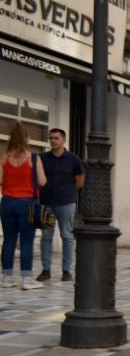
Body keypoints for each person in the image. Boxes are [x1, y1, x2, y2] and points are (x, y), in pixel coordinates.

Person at [1, 121, 48, 291]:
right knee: (27, 242)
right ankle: (27, 280)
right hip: (27, 203)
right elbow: (42, 181)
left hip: (7, 202)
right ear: (26, 139)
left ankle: (6, 278)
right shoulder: (33, 158)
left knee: (8, 240)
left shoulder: (4, 157)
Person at [36, 128, 84, 283]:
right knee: (46, 237)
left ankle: (66, 270)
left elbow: (80, 180)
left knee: (67, 236)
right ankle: (46, 270)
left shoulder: (73, 159)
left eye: (56, 138)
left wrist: (67, 192)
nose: (53, 141)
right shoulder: (42, 158)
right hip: (46, 204)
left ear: (64, 140)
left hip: (65, 204)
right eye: (51, 138)